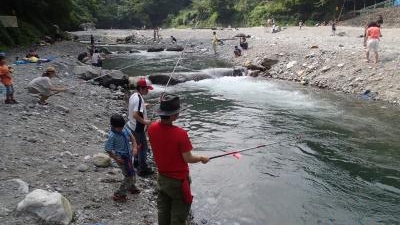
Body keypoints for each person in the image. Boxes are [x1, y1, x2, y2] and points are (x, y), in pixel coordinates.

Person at [148, 94, 210, 225]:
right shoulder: (180, 134)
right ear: (173, 116)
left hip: (162, 178)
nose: (178, 114)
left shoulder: (151, 128)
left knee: (163, 212)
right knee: (178, 217)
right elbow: (188, 158)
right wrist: (202, 158)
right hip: (178, 182)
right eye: (177, 112)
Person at [105, 114, 140, 202]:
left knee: (131, 171)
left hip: (129, 155)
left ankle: (131, 186)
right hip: (121, 158)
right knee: (128, 175)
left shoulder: (124, 129)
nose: (121, 129)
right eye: (119, 128)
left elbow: (132, 138)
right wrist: (116, 158)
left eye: (122, 127)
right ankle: (119, 194)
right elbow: (108, 149)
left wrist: (135, 147)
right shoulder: (112, 136)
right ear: (112, 126)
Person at [127, 77, 154, 177]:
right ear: (141, 88)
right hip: (137, 128)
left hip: (131, 126)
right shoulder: (138, 99)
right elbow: (135, 115)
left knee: (137, 145)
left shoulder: (134, 95)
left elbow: (135, 108)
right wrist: (146, 122)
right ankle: (143, 169)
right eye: (147, 89)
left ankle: (136, 162)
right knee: (143, 148)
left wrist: (143, 105)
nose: (148, 91)